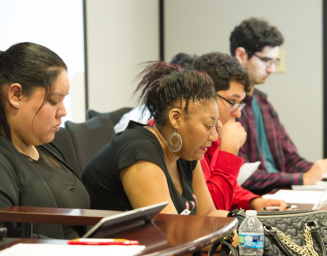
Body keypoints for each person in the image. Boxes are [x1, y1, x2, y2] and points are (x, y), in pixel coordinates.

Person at [230, 17, 327, 194]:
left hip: (279, 192)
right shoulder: (228, 109)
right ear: (241, 55)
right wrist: (303, 178)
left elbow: (291, 159)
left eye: (274, 62)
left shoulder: (263, 103)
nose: (272, 69)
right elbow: (241, 175)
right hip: (256, 200)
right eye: (266, 61)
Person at [81, 61, 228, 216]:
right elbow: (168, 230)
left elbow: (208, 214)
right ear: (176, 118)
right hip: (116, 239)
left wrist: (249, 222)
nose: (214, 136)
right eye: (207, 126)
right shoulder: (140, 151)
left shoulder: (185, 151)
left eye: (215, 127)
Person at [0, 42, 89, 238]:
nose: (63, 112)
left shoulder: (49, 148)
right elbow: (6, 239)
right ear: (16, 95)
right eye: (53, 101)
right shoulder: (4, 161)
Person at [192, 52, 287, 211]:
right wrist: (229, 150)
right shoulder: (189, 139)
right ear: (204, 95)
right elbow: (212, 211)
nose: (238, 113)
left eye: (240, 103)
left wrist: (252, 202)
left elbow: (227, 186)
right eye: (233, 102)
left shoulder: (214, 132)